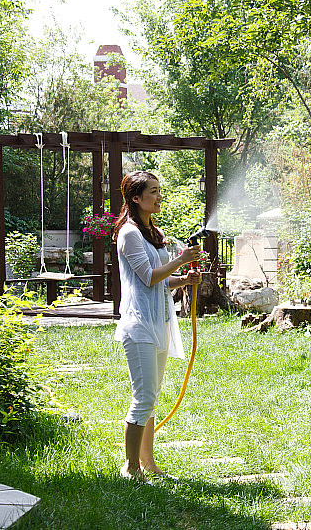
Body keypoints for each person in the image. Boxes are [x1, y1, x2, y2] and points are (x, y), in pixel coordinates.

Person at [112, 170, 202, 482]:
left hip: (160, 322)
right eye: (153, 192)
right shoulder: (129, 234)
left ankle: (147, 463)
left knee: (151, 395)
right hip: (139, 325)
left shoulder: (153, 232)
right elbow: (148, 276)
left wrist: (184, 278)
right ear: (135, 198)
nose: (158, 197)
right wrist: (182, 259)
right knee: (144, 397)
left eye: (159, 191)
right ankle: (130, 467)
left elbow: (160, 282)